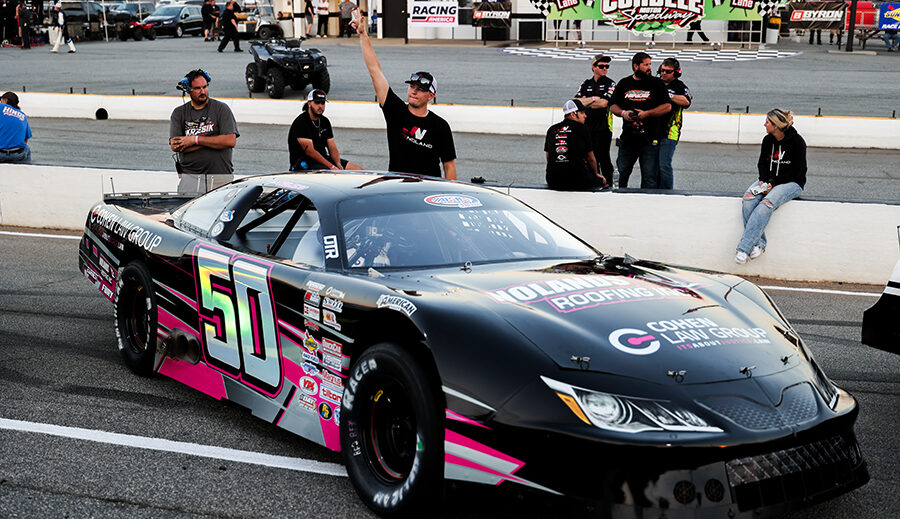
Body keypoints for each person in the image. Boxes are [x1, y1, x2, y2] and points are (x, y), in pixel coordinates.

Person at [353, 11, 457, 179]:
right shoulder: (395, 111)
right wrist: (363, 35)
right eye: (412, 87)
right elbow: (375, 71)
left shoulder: (440, 126)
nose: (414, 91)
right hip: (396, 186)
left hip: (427, 191)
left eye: (421, 89)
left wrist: (448, 199)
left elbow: (449, 166)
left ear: (431, 96)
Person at [734, 109, 806, 264]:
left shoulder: (797, 142)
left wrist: (772, 185)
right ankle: (759, 243)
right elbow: (762, 164)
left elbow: (798, 172)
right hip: (770, 181)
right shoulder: (768, 140)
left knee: (766, 204)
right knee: (748, 199)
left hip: (792, 183)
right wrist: (763, 180)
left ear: (776, 125)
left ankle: (743, 249)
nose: (764, 124)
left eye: (767, 122)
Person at [169, 69, 239, 194]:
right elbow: (176, 145)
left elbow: (229, 140)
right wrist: (214, 140)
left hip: (220, 178)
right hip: (190, 179)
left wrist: (193, 140)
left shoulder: (221, 109)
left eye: (205, 87)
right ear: (188, 90)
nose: (203, 91)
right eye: (197, 88)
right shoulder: (178, 113)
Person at [609, 52, 671, 189]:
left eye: (650, 64)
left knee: (649, 178)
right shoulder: (624, 83)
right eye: (646, 65)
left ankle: (647, 206)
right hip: (628, 139)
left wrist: (646, 114)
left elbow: (667, 106)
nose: (649, 67)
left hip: (650, 139)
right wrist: (623, 113)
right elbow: (612, 105)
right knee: (621, 174)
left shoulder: (657, 83)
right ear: (635, 66)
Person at [288, 89, 361, 171]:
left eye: (323, 103)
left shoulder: (324, 121)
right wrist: (331, 167)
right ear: (309, 104)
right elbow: (310, 151)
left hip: (322, 159)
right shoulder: (301, 122)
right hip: (303, 162)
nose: (320, 106)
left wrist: (338, 164)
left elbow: (332, 146)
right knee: (332, 175)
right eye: (317, 102)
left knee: (358, 170)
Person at [544, 99, 606, 191]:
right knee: (602, 181)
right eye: (582, 113)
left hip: (553, 180)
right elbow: (590, 158)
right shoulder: (583, 129)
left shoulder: (552, 129)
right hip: (577, 180)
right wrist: (596, 174)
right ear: (573, 114)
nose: (585, 116)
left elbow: (549, 157)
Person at [573, 54, 616, 185]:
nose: (605, 68)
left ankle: (608, 183)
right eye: (602, 66)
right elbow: (576, 102)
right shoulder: (586, 83)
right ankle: (593, 182)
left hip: (604, 128)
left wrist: (587, 100)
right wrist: (593, 99)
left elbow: (603, 104)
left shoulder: (611, 83)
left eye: (607, 66)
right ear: (593, 67)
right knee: (589, 158)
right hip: (587, 128)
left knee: (604, 159)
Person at [657, 57, 691, 190]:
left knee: (664, 164)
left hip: (671, 131)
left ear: (676, 72)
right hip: (653, 130)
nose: (664, 73)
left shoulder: (680, 86)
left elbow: (686, 101)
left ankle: (667, 192)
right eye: (663, 71)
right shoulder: (656, 83)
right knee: (653, 165)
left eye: (668, 71)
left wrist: (668, 95)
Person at [0, 91, 32, 163]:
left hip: (0, 153)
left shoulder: (1, 107)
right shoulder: (23, 115)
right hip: (17, 154)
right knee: (26, 149)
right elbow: (25, 139)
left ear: (5, 100)